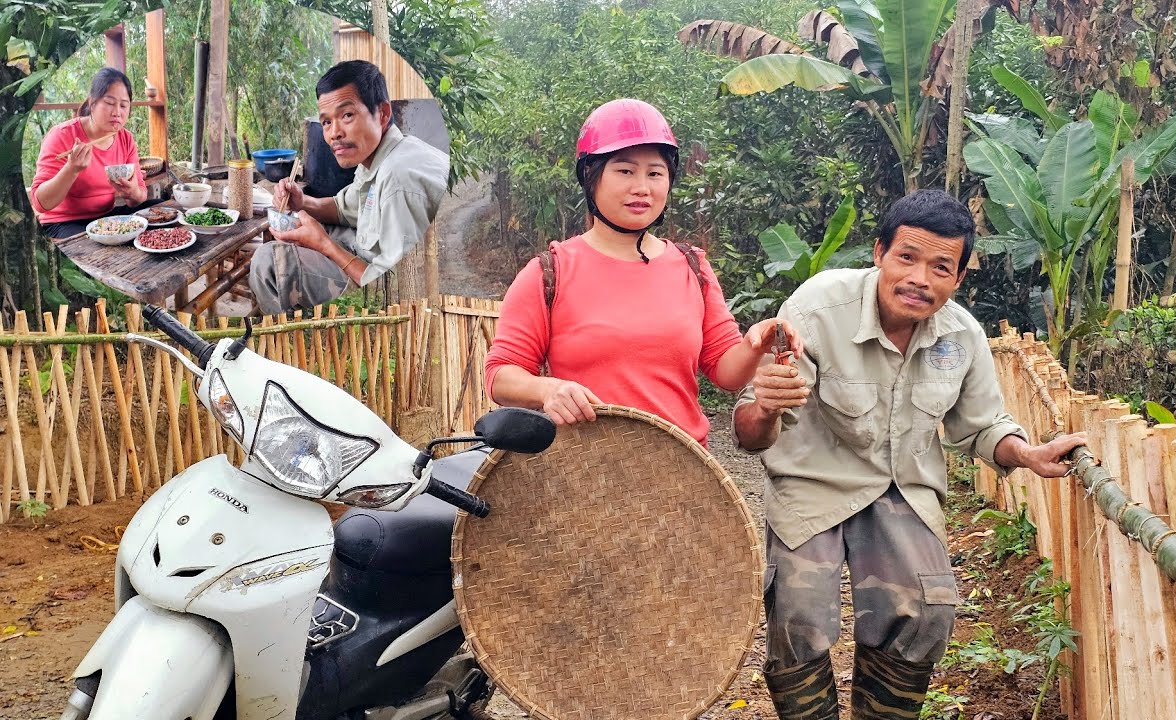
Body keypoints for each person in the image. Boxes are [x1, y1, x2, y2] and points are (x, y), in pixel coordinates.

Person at [732, 189, 1088, 719]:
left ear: (959, 277)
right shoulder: (815, 308)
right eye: (907, 257)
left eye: (941, 266)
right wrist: (763, 408)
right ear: (879, 253)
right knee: (799, 616)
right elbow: (752, 430)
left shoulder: (963, 337)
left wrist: (1028, 454)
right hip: (813, 481)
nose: (921, 278)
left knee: (926, 611)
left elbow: (982, 426)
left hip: (902, 486)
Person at [483, 98, 802, 446]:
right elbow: (500, 376)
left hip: (684, 474)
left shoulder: (692, 266)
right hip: (584, 475)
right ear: (592, 177)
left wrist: (757, 342)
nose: (642, 187)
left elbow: (725, 372)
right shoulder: (549, 272)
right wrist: (548, 389)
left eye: (655, 172)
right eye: (624, 170)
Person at [250, 59, 449, 314]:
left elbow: (387, 285)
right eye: (326, 122)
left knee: (267, 262)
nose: (334, 133)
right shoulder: (375, 158)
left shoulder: (399, 178)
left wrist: (323, 244)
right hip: (363, 252)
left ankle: (295, 338)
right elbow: (345, 208)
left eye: (347, 115)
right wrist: (303, 202)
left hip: (377, 286)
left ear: (383, 114)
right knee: (305, 224)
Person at [29, 67, 150, 239]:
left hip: (106, 219)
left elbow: (140, 196)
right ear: (92, 103)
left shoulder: (125, 138)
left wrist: (132, 193)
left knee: (157, 210)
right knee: (94, 247)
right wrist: (71, 169)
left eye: (124, 105)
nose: (117, 112)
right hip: (64, 223)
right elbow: (41, 203)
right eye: (109, 103)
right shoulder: (62, 135)